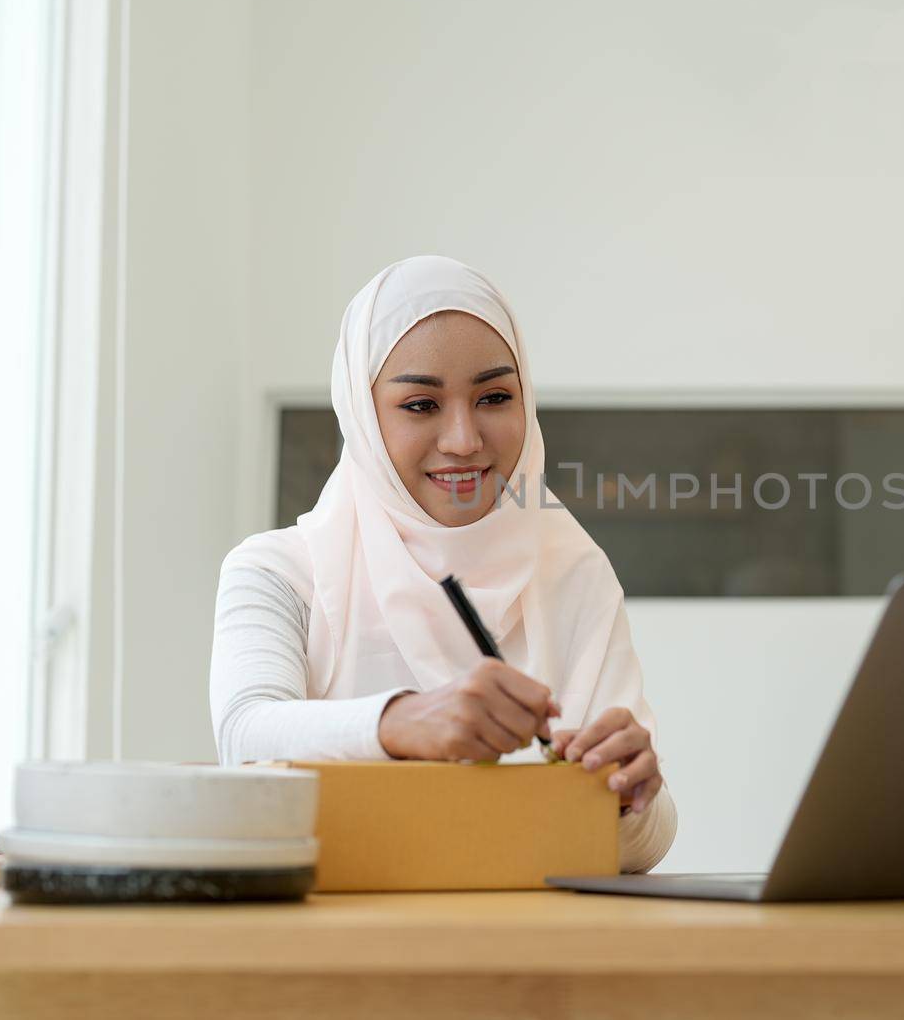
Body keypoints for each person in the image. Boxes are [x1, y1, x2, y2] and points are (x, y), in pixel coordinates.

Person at [209, 256, 675, 872]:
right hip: (335, 946)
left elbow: (642, 849)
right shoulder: (277, 572)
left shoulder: (573, 573)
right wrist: (402, 722)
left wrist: (629, 795)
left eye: (494, 397)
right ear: (361, 413)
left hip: (532, 949)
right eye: (421, 405)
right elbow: (245, 739)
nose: (463, 439)